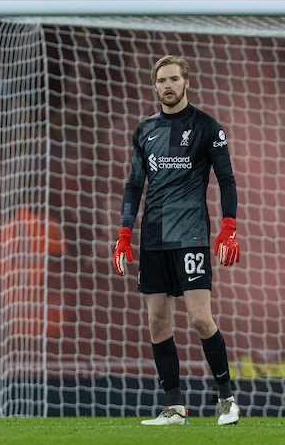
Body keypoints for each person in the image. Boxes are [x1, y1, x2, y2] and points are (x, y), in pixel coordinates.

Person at [112, 54, 241, 426]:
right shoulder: (144, 131)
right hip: (153, 238)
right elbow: (135, 185)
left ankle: (227, 399)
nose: (166, 86)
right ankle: (174, 408)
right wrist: (124, 234)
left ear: (187, 82)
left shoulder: (206, 127)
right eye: (161, 81)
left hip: (191, 235)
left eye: (173, 79)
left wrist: (228, 227)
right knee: (156, 322)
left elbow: (227, 180)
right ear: (155, 86)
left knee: (201, 319)